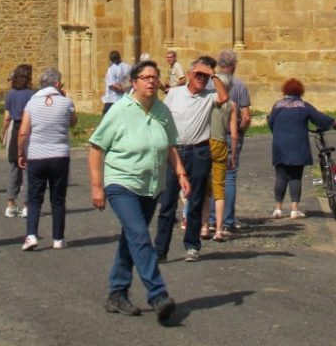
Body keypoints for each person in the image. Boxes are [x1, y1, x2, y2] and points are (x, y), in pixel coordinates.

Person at [88, 58, 187, 321]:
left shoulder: (161, 111)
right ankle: (158, 295)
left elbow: (171, 146)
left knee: (130, 238)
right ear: (134, 83)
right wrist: (97, 187)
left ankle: (117, 293)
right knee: (141, 236)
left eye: (155, 77)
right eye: (146, 77)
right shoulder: (120, 110)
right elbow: (96, 147)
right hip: (121, 183)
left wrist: (180, 172)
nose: (152, 81)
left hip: (150, 185)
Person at [153, 55, 229, 262]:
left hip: (199, 152)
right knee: (168, 203)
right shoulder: (174, 94)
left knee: (195, 202)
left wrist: (213, 76)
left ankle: (192, 246)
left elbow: (224, 98)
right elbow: (162, 119)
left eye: (205, 76)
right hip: (175, 152)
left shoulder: (209, 95)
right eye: (198, 74)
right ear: (188, 74)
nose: (201, 79)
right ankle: (160, 250)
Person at [267, 78, 336, 219]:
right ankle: (294, 209)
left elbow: (270, 123)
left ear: (285, 91)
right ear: (300, 91)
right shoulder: (303, 106)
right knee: (295, 176)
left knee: (281, 176)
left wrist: (279, 133)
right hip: (297, 146)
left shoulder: (277, 106)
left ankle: (278, 209)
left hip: (280, 145)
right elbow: (321, 119)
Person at [18, 66, 76, 250]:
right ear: (58, 84)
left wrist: (21, 152)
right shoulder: (66, 102)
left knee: (35, 197)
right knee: (58, 198)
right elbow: (73, 122)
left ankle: (31, 235)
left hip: (37, 154)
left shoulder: (32, 103)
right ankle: (58, 238)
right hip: (59, 154)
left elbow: (23, 132)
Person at [208, 48, 251, 233]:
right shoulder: (239, 85)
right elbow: (246, 116)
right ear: (233, 66)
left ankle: (210, 218)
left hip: (210, 135)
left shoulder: (209, 84)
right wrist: (241, 132)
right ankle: (227, 220)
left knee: (211, 177)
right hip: (230, 134)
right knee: (230, 176)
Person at [201, 72, 237, 242]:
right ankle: (220, 230)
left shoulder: (208, 101)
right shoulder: (232, 105)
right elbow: (234, 134)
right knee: (219, 188)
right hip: (222, 144)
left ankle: (205, 227)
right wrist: (234, 154)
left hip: (206, 143)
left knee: (205, 188)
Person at [1, 63, 34, 217]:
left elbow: (7, 117)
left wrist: (3, 132)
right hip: (28, 130)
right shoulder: (31, 94)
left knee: (14, 168)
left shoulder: (11, 94)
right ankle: (26, 205)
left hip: (15, 130)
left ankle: (10, 204)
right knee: (27, 169)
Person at [101, 51, 130, 116]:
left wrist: (122, 90)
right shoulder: (128, 66)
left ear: (110, 59)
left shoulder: (111, 69)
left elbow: (113, 85)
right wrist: (125, 90)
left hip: (112, 99)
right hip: (125, 99)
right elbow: (131, 80)